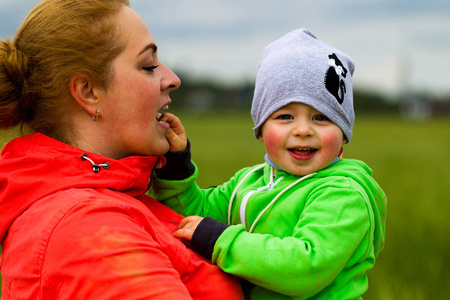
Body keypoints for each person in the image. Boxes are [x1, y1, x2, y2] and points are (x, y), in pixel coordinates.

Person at [0, 0, 245, 299]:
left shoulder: (106, 200)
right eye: (149, 65)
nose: (172, 79)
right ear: (89, 92)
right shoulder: (87, 228)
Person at [150, 29, 387, 299]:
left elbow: (304, 267)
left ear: (343, 132)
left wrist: (221, 239)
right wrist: (176, 165)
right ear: (261, 129)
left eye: (321, 118)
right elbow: (191, 215)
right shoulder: (249, 182)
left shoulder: (344, 194)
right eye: (285, 116)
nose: (303, 130)